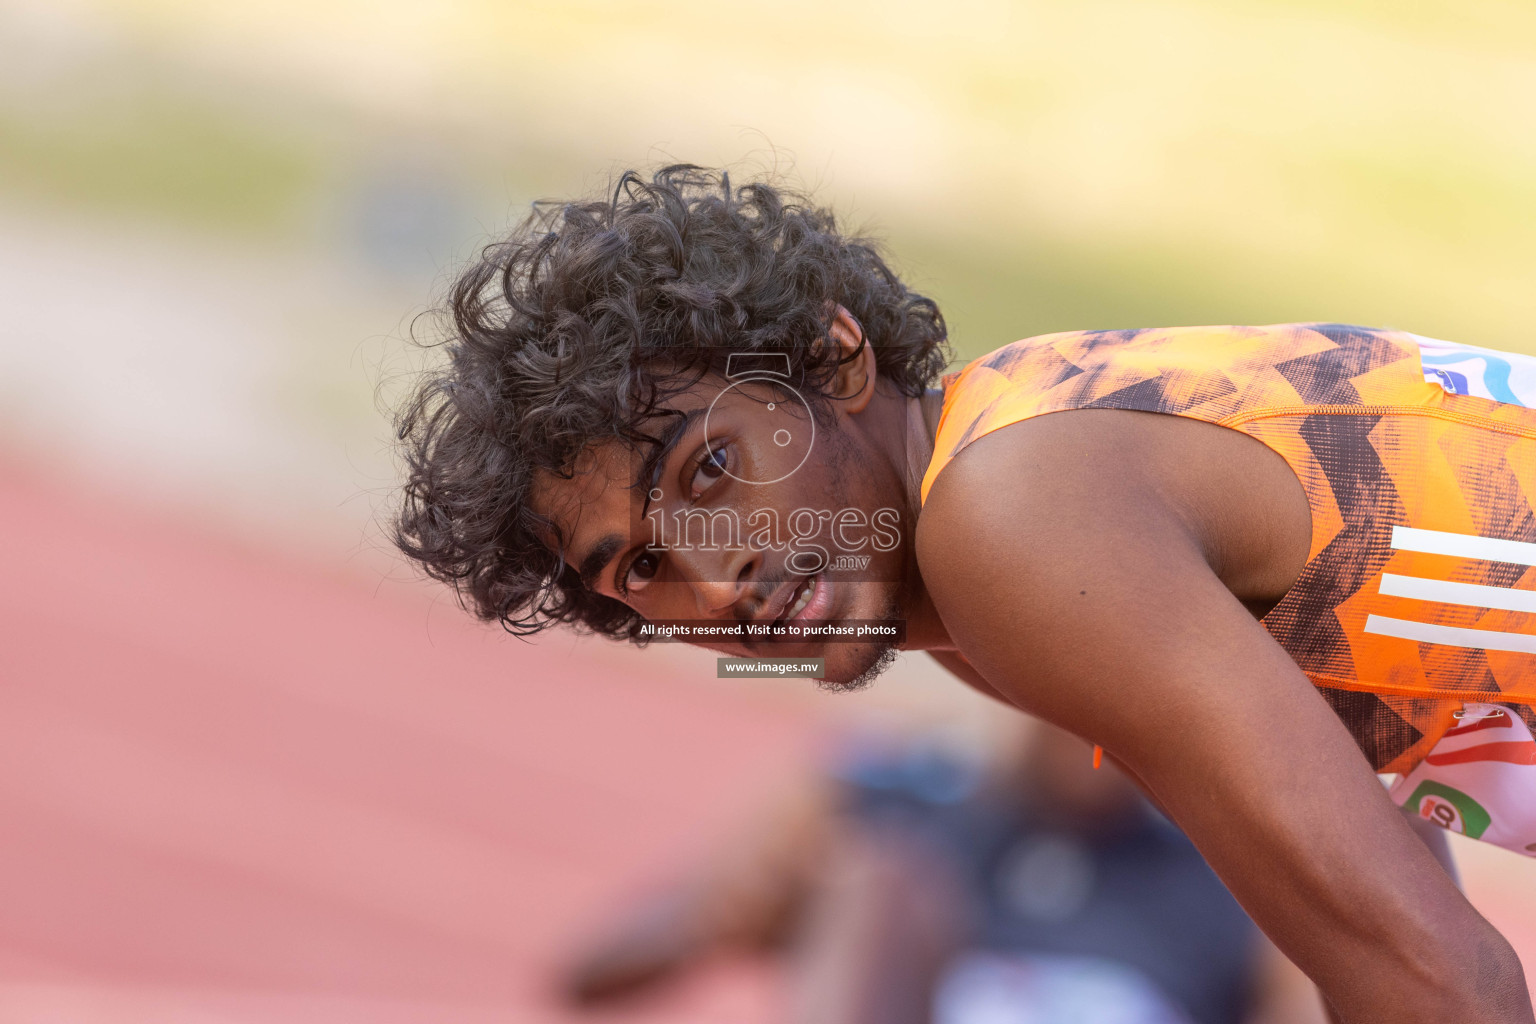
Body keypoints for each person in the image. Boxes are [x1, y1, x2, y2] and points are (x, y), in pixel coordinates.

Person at [393, 164, 1536, 1022]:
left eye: (713, 470)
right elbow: (1385, 902)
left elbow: (1441, 983)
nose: (713, 575)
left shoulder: (1014, 527)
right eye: (638, 569)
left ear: (836, 361)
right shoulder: (997, 518)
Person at [561, 720, 1324, 1024]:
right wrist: (713, 913)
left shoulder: (1220, 877)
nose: (1096, 735)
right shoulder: (897, 803)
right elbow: (587, 976)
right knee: (877, 876)